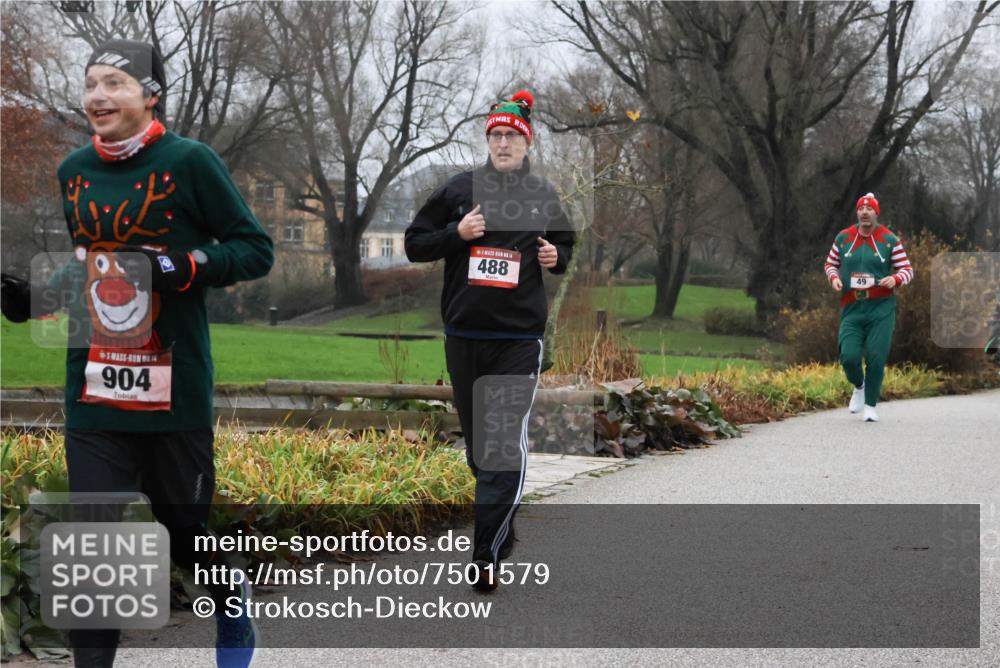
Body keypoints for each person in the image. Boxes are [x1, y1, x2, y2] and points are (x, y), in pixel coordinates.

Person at [0, 39, 273, 667]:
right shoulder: (74, 172)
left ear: (150, 95)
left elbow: (254, 249)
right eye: (92, 83)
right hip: (95, 384)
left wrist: (182, 263)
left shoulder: (191, 162)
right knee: (94, 544)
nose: (98, 95)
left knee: (186, 535)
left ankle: (232, 609)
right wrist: (33, 297)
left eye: (115, 83)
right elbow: (94, 275)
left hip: (174, 387)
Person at [404, 90, 575, 591]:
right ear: (488, 140)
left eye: (511, 136)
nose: (503, 143)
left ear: (527, 142)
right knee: (481, 451)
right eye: (496, 135)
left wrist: (554, 258)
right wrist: (456, 233)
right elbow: (415, 243)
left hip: (518, 338)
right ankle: (499, 529)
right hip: (464, 335)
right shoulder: (459, 189)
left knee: (501, 447)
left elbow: (565, 245)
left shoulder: (543, 194)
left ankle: (485, 556)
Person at [823, 193, 913, 422]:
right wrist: (834, 278)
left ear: (876, 213)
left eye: (869, 209)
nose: (864, 212)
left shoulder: (889, 240)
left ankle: (871, 406)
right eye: (861, 209)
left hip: (881, 308)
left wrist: (895, 279)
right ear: (857, 213)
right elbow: (830, 263)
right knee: (849, 356)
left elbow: (907, 270)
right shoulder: (843, 238)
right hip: (852, 307)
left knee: (876, 356)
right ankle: (859, 385)